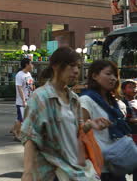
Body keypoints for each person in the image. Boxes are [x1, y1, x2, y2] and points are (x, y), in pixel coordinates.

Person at [21, 47, 111, 181]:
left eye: (78, 67)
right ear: (56, 66)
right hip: (54, 172)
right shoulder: (41, 97)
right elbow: (30, 137)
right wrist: (27, 173)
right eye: (71, 65)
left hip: (75, 170)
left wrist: (90, 125)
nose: (76, 71)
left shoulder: (74, 99)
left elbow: (74, 133)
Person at [80, 60, 130, 181]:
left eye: (115, 75)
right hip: (98, 168)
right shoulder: (86, 100)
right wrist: (90, 124)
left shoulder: (114, 103)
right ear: (94, 76)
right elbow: (78, 132)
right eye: (108, 74)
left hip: (116, 164)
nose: (113, 78)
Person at [12, 58, 35, 141]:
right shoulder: (19, 75)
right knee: (21, 118)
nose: (32, 65)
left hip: (29, 99)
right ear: (26, 65)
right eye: (31, 63)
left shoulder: (28, 74)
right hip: (22, 101)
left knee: (22, 117)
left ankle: (14, 130)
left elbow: (31, 85)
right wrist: (24, 100)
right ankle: (17, 133)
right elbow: (19, 88)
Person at [121, 80, 137, 181]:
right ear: (123, 90)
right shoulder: (122, 103)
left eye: (135, 87)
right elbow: (122, 119)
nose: (134, 90)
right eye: (130, 87)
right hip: (130, 135)